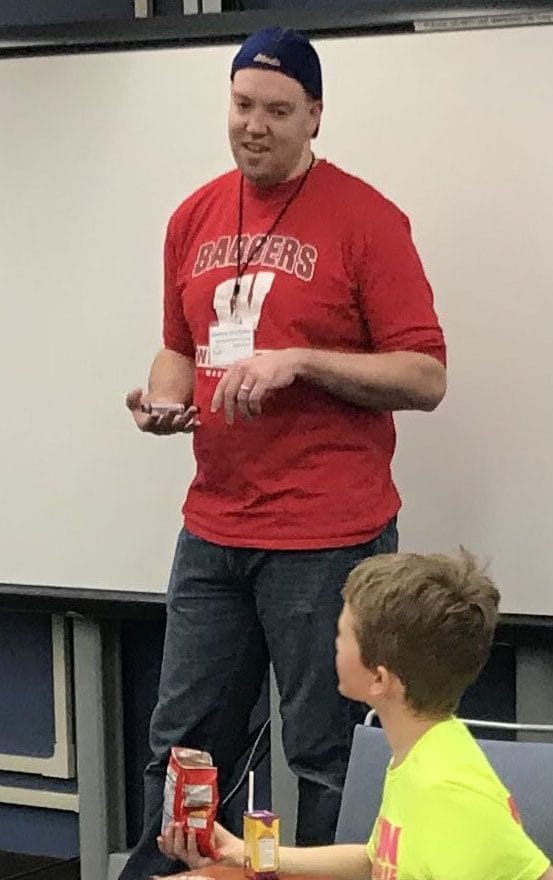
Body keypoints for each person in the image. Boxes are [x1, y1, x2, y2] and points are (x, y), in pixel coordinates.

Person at [122, 25, 447, 880]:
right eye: (240, 106)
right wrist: (163, 399)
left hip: (327, 537)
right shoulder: (193, 215)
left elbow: (425, 376)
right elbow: (177, 347)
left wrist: (302, 360)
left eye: (275, 110)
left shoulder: (367, 220)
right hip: (214, 531)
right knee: (184, 752)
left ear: (313, 116)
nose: (253, 126)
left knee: (326, 756)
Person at [157, 550, 553, 880]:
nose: (334, 644)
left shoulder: (447, 790)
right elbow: (375, 858)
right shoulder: (421, 751)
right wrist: (246, 852)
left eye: (343, 635)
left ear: (379, 679)